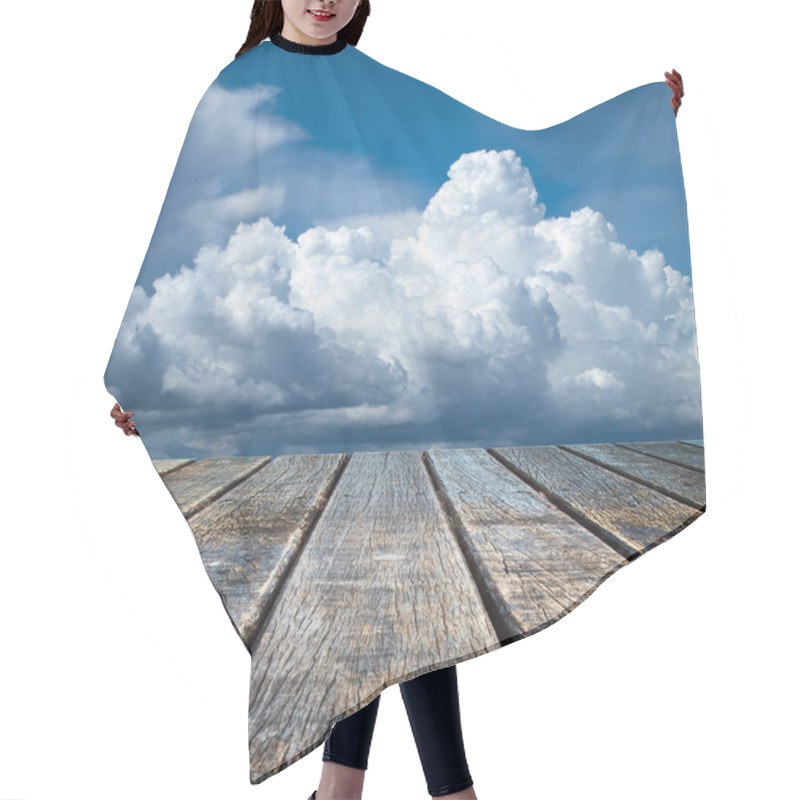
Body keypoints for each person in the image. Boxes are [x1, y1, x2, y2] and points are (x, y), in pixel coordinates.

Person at [110, 2, 685, 798]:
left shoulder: (376, 85)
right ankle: (429, 792)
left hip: (397, 380)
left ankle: (353, 790)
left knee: (405, 583)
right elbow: (184, 237)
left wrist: (638, 123)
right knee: (379, 591)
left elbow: (491, 150)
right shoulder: (236, 92)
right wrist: (150, 376)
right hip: (291, 393)